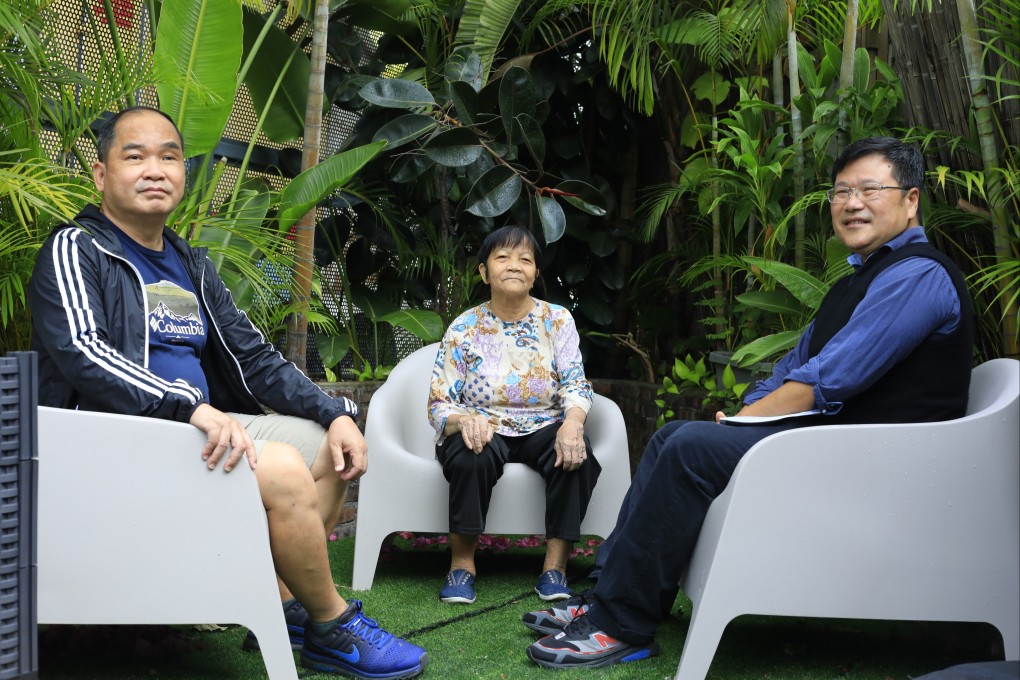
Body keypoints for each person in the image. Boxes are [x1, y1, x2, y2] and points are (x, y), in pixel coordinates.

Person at [522, 136, 974, 669]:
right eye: (841, 191)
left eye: (870, 189)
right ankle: (608, 596)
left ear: (911, 199)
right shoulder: (858, 280)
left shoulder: (919, 274)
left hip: (883, 467)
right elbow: (793, 368)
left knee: (689, 446)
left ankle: (620, 624)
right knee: (673, 436)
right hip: (840, 447)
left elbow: (831, 380)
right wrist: (744, 413)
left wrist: (746, 419)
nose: (852, 203)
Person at [28, 106, 429, 680]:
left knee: (329, 450)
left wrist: (335, 412)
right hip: (112, 440)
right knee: (287, 469)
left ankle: (285, 605)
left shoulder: (191, 264)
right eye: (134, 156)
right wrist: (187, 405)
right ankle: (332, 625)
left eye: (168, 156)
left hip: (189, 436)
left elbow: (255, 359)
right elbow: (84, 353)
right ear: (100, 174)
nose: (154, 169)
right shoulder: (77, 249)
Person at [427, 225, 602, 605]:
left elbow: (575, 382)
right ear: (484, 271)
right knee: (468, 453)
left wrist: (572, 423)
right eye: (502, 257)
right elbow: (440, 401)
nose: (514, 266)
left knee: (575, 454)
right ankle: (461, 567)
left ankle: (554, 570)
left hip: (543, 424)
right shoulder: (464, 327)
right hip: (484, 424)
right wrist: (464, 421)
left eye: (525, 259)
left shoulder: (557, 320)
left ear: (536, 273)